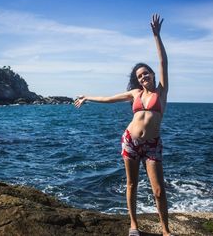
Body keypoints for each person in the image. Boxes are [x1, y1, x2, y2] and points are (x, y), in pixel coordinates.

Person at [74, 14, 172, 236]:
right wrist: (87, 97)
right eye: (139, 76)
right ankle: (134, 226)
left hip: (152, 145)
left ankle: (166, 231)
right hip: (130, 141)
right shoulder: (135, 93)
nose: (143, 77)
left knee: (158, 190)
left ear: (153, 74)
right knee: (131, 184)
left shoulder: (162, 90)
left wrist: (157, 36)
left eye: (146, 73)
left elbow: (164, 61)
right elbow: (109, 99)